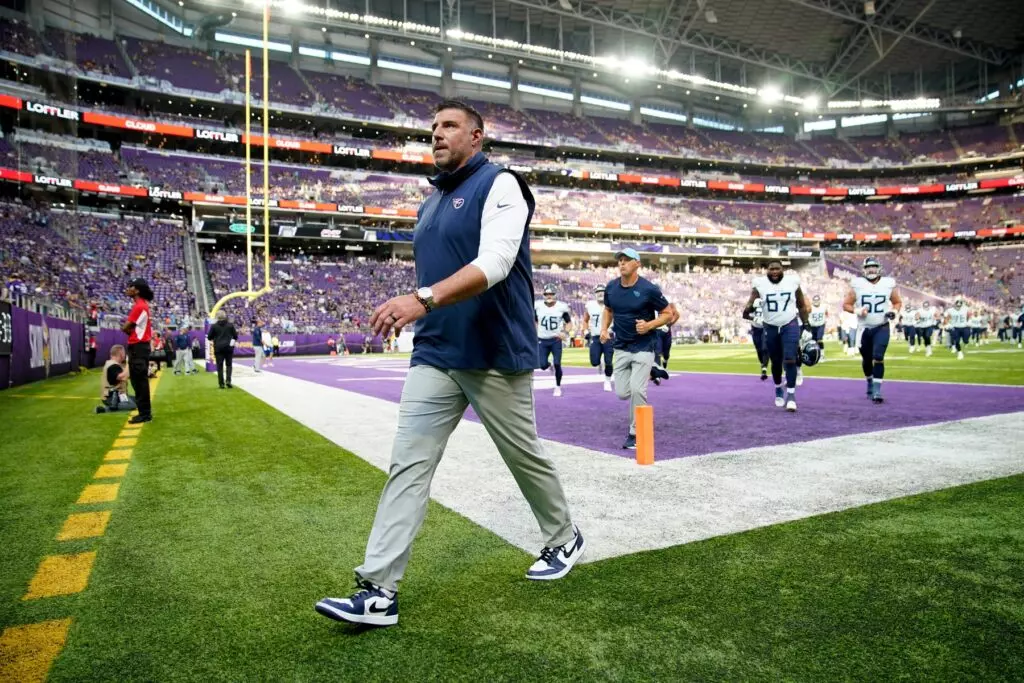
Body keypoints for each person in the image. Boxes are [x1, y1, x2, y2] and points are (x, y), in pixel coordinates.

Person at [315, 100, 582, 628]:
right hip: (436, 351)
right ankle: (377, 590)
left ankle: (564, 536)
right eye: (433, 127)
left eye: (449, 126)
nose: (436, 134)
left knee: (522, 454)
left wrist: (423, 300)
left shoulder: (502, 184)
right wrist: (426, 308)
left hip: (492, 349)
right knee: (408, 465)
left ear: (477, 137)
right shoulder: (428, 202)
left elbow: (497, 263)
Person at [600, 248, 675, 448]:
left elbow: (668, 313)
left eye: (626, 260)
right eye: (620, 260)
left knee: (637, 390)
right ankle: (652, 371)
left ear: (637, 263)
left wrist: (649, 325)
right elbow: (607, 310)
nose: (621, 263)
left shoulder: (649, 289)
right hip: (622, 346)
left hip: (644, 346)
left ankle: (635, 433)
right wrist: (604, 329)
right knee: (622, 393)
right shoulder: (611, 287)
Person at [742, 259, 810, 412]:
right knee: (776, 362)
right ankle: (778, 387)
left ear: (782, 269)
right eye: (771, 269)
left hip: (790, 324)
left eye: (777, 269)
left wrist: (806, 325)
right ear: (767, 270)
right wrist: (754, 310)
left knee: (791, 359)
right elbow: (746, 312)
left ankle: (791, 396)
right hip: (770, 326)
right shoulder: (760, 284)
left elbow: (801, 304)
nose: (774, 272)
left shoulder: (792, 282)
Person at [843, 256, 901, 403]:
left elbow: (897, 302)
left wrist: (894, 312)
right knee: (867, 360)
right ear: (864, 269)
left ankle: (877, 390)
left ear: (879, 268)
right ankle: (869, 380)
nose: (871, 269)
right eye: (868, 267)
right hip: (863, 328)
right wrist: (857, 311)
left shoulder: (888, 283)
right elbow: (846, 305)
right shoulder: (857, 284)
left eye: (873, 266)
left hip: (881, 326)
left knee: (878, 356)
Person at [121, 278, 153, 423]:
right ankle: (144, 412)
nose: (128, 289)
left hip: (138, 347)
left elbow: (125, 327)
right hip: (140, 347)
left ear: (137, 290)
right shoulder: (141, 306)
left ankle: (145, 414)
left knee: (139, 381)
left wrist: (130, 331)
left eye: (131, 286)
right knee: (138, 380)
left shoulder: (139, 306)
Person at [535, 284, 571, 397]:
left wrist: (565, 333)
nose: (549, 296)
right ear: (544, 295)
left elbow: (568, 322)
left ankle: (557, 386)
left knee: (557, 364)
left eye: (551, 294)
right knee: (542, 365)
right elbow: (535, 320)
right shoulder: (538, 306)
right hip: (542, 339)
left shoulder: (561, 307)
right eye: (547, 294)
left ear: (555, 295)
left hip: (556, 340)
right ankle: (548, 365)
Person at [583, 284, 614, 392]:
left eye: (602, 291)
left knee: (609, 361)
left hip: (608, 336)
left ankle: (607, 381)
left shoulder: (612, 304)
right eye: (598, 291)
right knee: (594, 362)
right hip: (595, 336)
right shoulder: (590, 305)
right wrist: (586, 331)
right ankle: (600, 362)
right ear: (595, 293)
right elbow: (585, 320)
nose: (600, 293)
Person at [95, 344, 137, 414]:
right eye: (124, 353)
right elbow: (123, 377)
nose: (124, 355)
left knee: (138, 401)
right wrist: (129, 362)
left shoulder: (112, 364)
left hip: (114, 395)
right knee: (132, 405)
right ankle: (105, 409)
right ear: (121, 354)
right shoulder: (113, 366)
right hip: (111, 397)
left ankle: (113, 406)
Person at [207, 310, 238, 388]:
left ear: (217, 317)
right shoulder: (230, 325)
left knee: (219, 366)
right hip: (228, 348)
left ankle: (221, 383)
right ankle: (228, 381)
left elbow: (209, 337)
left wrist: (215, 337)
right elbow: (235, 336)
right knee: (229, 365)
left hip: (218, 348)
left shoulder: (214, 326)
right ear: (225, 316)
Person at [743, 297, 769, 380]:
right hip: (755, 328)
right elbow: (744, 315)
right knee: (759, 349)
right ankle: (762, 364)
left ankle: (764, 369)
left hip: (765, 327)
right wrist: (754, 318)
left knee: (765, 348)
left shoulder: (768, 302)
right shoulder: (752, 304)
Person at [807, 294, 827, 363]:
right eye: (815, 300)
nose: (816, 301)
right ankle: (816, 355)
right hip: (812, 326)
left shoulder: (823, 307)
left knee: (819, 339)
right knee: (814, 341)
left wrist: (824, 321)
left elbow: (827, 313)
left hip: (821, 325)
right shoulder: (810, 307)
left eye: (817, 300)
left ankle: (822, 355)